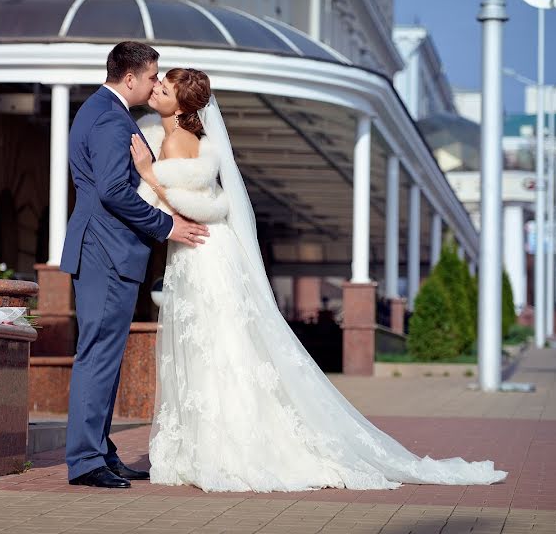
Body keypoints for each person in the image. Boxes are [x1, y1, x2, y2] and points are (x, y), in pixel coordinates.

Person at [130, 68, 507, 492]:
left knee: (218, 346)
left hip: (204, 254)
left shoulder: (179, 140)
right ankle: (213, 443)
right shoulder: (171, 136)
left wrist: (147, 173)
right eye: (157, 83)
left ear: (181, 105)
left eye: (164, 88)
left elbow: (194, 207)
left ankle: (229, 447)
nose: (156, 89)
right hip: (200, 253)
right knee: (216, 345)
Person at [59, 42, 209, 489]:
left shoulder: (102, 109)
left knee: (104, 356)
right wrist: (167, 226)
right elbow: (112, 191)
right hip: (105, 250)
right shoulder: (108, 116)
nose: (154, 83)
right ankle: (86, 461)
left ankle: (100, 452)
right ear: (130, 78)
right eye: (151, 76)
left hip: (107, 250)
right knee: (98, 356)